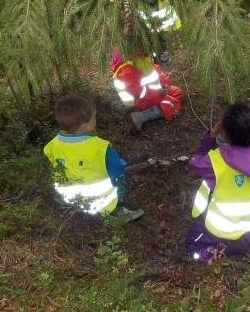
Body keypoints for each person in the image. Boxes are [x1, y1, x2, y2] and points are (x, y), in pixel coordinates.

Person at [186, 103, 250, 262]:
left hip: (218, 228)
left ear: (225, 133)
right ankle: (247, 244)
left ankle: (214, 250)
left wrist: (210, 138)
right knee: (249, 235)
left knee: (192, 244)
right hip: (248, 225)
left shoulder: (215, 162)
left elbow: (195, 161)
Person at [43, 94, 143, 225]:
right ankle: (117, 209)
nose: (95, 121)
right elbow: (118, 168)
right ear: (84, 126)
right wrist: (121, 165)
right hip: (99, 202)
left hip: (71, 200)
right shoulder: (100, 147)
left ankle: (81, 210)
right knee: (120, 178)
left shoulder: (51, 145)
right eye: (94, 119)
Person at [111, 51, 182, 131]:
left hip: (152, 92)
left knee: (176, 91)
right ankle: (142, 116)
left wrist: (164, 85)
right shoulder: (126, 69)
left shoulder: (141, 58)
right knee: (172, 104)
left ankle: (160, 104)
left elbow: (155, 71)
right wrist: (159, 93)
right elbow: (139, 92)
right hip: (139, 101)